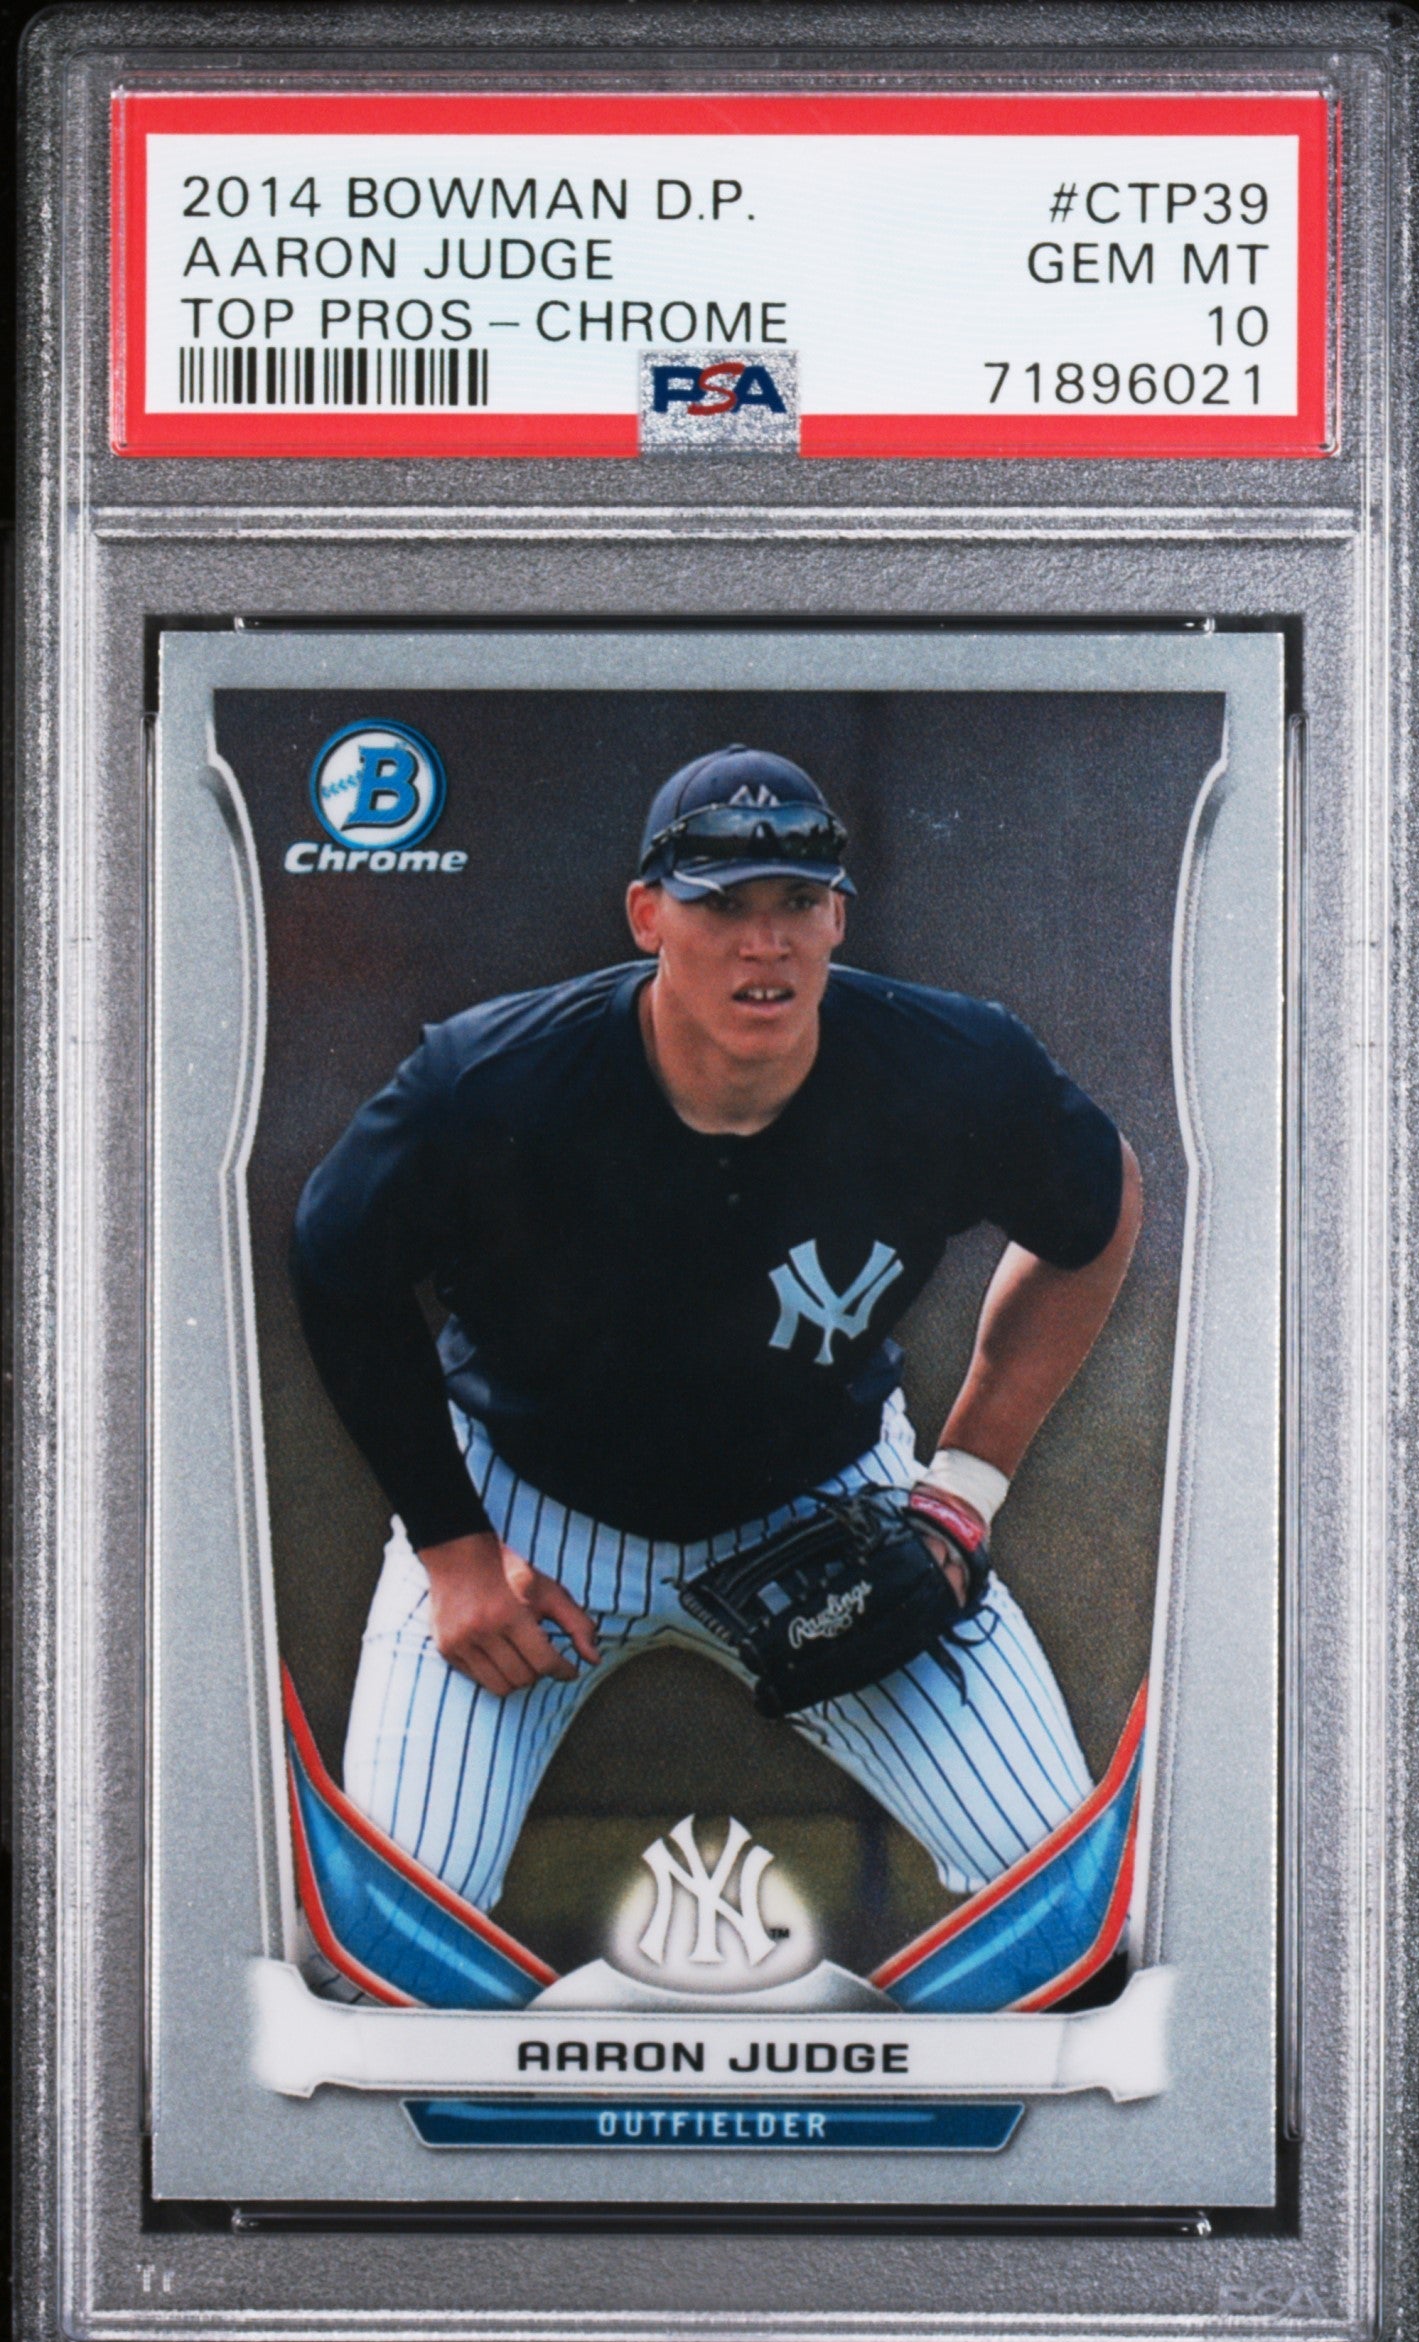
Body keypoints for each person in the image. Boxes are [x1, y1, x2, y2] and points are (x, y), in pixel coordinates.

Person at [290, 743, 1142, 1989]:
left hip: (821, 1502)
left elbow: (1096, 1208)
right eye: (721, 904)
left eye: (796, 901)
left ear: (838, 917)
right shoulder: (493, 1079)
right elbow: (336, 1266)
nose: (765, 943)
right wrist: (453, 1549)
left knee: (1072, 1921)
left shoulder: (945, 1067)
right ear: (648, 916)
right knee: (381, 1952)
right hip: (528, 1509)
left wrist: (960, 1491)